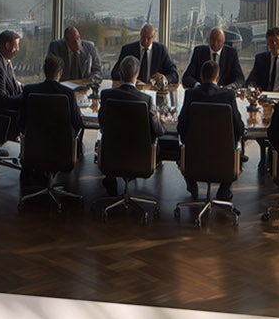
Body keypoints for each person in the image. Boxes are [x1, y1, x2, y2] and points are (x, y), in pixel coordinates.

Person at [177, 58, 245, 202]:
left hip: (194, 155)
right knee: (238, 152)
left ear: (201, 76)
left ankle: (192, 183)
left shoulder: (191, 95)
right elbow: (239, 127)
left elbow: (181, 126)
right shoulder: (228, 96)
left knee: (181, 149)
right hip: (223, 156)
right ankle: (224, 190)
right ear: (218, 77)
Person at [96, 54, 164, 195]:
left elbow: (102, 123)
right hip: (139, 158)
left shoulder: (107, 95)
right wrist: (160, 121)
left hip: (112, 155)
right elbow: (158, 132)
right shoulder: (146, 100)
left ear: (120, 73)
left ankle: (111, 178)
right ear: (137, 73)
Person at [23, 52, 86, 192]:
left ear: (44, 71)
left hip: (35, 147)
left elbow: (22, 122)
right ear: (60, 72)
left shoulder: (28, 91)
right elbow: (77, 123)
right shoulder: (68, 94)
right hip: (62, 149)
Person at [182, 25, 246, 90]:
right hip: (203, 94)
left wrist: (229, 88)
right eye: (213, 39)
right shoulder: (199, 52)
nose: (215, 43)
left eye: (219, 41)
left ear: (223, 41)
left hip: (224, 95)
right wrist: (199, 86)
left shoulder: (231, 54)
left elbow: (240, 79)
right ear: (209, 39)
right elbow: (187, 77)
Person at [118, 22, 179, 88]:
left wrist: (164, 79)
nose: (145, 40)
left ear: (153, 37)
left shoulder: (161, 50)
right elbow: (116, 72)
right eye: (143, 37)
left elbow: (174, 74)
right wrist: (131, 81)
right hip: (133, 89)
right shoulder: (128, 49)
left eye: (148, 38)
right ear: (140, 35)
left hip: (154, 91)